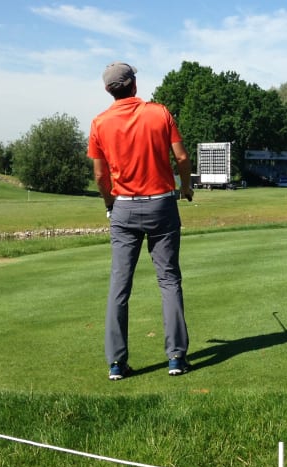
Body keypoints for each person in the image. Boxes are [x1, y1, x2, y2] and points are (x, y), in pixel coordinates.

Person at [87, 62, 195, 381]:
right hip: (162, 204)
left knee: (120, 285)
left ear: (109, 90)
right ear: (133, 84)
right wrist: (185, 187)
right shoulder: (159, 113)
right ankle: (176, 357)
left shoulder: (99, 122)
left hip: (123, 208)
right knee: (169, 280)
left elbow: (99, 174)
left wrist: (109, 203)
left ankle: (117, 363)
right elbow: (183, 158)